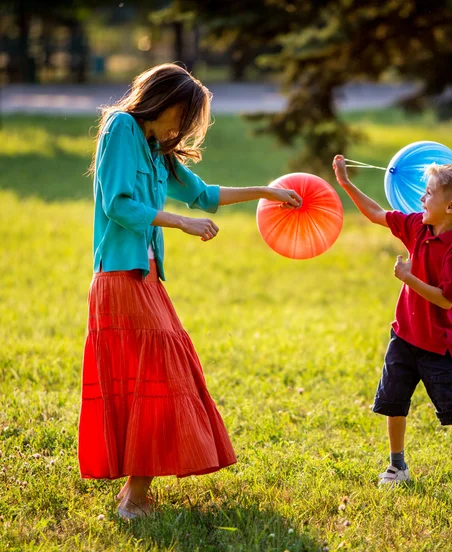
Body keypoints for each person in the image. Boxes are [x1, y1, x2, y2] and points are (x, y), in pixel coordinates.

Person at [78, 63, 302, 519]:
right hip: (120, 277)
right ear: (160, 100)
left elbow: (203, 195)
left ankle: (133, 496)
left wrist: (267, 192)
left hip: (145, 278)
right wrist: (179, 222)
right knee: (159, 376)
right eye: (180, 117)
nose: (179, 129)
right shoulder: (122, 128)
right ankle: (133, 500)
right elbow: (118, 203)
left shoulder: (158, 149)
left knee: (159, 379)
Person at [332, 154, 452, 490]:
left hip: (438, 345)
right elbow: (376, 214)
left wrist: (408, 277)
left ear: (450, 207)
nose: (421, 198)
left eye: (428, 193)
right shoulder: (418, 226)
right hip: (404, 335)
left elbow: (447, 298)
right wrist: (346, 183)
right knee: (394, 400)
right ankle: (397, 466)